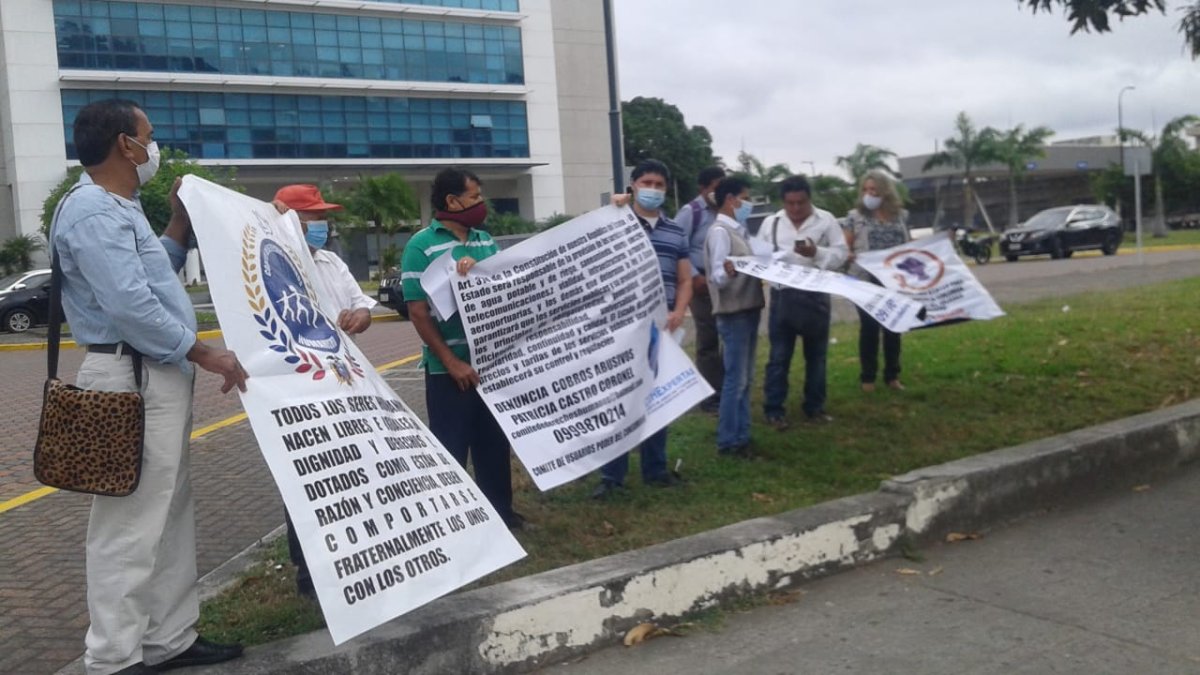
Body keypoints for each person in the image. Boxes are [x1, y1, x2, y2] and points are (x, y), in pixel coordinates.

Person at [50, 99, 248, 675]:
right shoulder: (90, 211)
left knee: (165, 513)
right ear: (123, 145)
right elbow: (130, 305)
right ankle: (112, 658)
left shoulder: (119, 206)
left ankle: (169, 638)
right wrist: (206, 353)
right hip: (130, 376)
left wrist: (178, 225)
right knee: (128, 524)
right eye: (148, 137)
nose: (153, 148)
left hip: (152, 374)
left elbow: (150, 274)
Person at [401, 168, 527, 530]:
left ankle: (501, 514)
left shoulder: (484, 240)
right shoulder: (420, 246)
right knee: (452, 448)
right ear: (452, 201)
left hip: (490, 367)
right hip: (448, 372)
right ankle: (455, 523)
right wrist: (451, 361)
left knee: (493, 445)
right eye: (474, 196)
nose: (480, 203)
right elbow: (418, 312)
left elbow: (502, 290)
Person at [272, 184, 378, 600]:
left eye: (322, 218)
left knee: (349, 471)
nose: (321, 225)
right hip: (300, 386)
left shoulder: (332, 261)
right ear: (291, 222)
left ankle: (351, 553)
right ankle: (308, 570)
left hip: (345, 380)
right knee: (308, 477)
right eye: (312, 218)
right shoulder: (278, 263)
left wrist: (361, 315)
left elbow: (362, 305)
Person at [593, 159, 692, 499]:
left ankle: (655, 468)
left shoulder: (675, 231)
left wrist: (679, 310)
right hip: (621, 328)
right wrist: (614, 207)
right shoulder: (617, 223)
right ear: (633, 185)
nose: (653, 189)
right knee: (617, 400)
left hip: (660, 330)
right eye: (646, 182)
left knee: (655, 398)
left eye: (659, 184)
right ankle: (612, 476)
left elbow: (683, 279)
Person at [756, 175, 848, 429]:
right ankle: (774, 409)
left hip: (815, 296)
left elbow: (841, 255)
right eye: (790, 203)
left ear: (810, 200)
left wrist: (816, 253)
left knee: (816, 357)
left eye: (801, 203)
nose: (796, 209)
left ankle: (814, 407)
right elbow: (760, 257)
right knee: (778, 357)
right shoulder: (771, 223)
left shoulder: (826, 220)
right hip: (783, 296)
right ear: (783, 202)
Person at [704, 177, 764, 458]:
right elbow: (716, 276)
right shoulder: (720, 232)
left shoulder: (739, 231)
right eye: (744, 198)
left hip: (748, 310)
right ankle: (729, 442)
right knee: (735, 380)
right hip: (733, 314)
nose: (747, 204)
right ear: (730, 199)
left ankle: (742, 435)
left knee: (746, 379)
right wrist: (729, 272)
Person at [843, 170, 911, 392]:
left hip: (894, 278)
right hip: (864, 279)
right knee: (869, 327)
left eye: (873, 190)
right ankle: (868, 378)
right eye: (865, 189)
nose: (869, 194)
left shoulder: (900, 216)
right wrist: (848, 255)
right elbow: (846, 246)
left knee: (893, 326)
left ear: (885, 191)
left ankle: (892, 375)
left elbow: (908, 243)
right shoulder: (854, 217)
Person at [675, 166, 727, 413]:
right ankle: (710, 396)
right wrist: (694, 278)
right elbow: (677, 246)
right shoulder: (691, 213)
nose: (719, 192)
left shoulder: (727, 211)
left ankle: (725, 388)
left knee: (727, 337)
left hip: (726, 284)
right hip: (701, 285)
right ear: (703, 188)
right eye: (715, 187)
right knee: (708, 339)